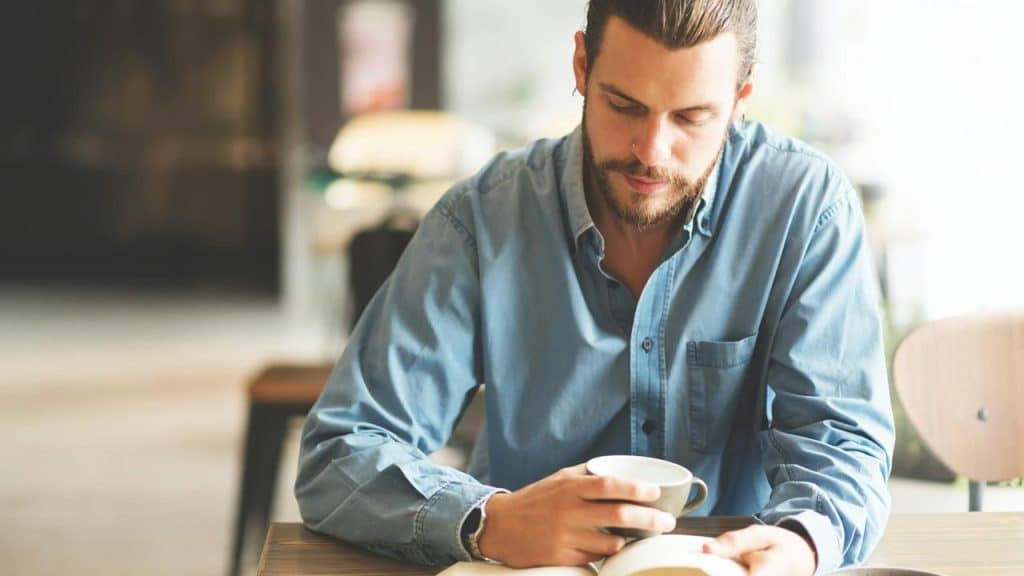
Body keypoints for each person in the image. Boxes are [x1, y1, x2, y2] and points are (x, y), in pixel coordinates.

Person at [295, 1, 894, 575]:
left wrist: (800, 543)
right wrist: (489, 520)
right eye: (625, 105)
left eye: (691, 117)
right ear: (582, 66)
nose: (651, 152)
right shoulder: (483, 219)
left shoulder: (805, 210)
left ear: (741, 98)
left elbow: (842, 442)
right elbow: (339, 451)